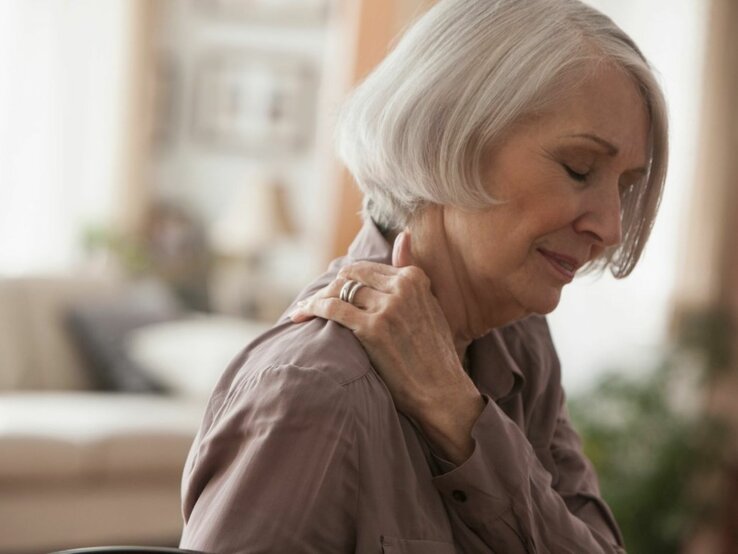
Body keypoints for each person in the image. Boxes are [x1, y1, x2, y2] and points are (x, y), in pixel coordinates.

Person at [179, 0, 667, 551]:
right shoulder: (316, 390)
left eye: (625, 186)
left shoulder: (520, 345)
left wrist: (462, 418)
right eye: (579, 168)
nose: (610, 226)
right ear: (447, 134)